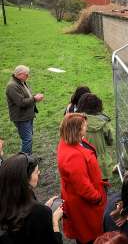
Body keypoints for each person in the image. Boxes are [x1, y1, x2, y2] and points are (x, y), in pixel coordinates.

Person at [57, 113, 107, 244]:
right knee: (90, 235)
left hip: (81, 200)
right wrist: (97, 198)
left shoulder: (69, 142)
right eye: (84, 126)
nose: (87, 127)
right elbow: (83, 186)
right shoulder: (73, 157)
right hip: (85, 206)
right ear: (76, 131)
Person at [0, 153, 63, 243]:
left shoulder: (5, 202)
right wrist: (54, 222)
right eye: (36, 172)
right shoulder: (40, 213)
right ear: (25, 179)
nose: (39, 173)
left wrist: (43, 208)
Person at [5, 65, 44, 154]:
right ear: (19, 74)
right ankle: (26, 162)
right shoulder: (12, 86)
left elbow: (26, 96)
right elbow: (21, 102)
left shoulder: (21, 82)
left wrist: (34, 97)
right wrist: (34, 99)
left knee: (28, 138)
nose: (28, 76)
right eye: (26, 75)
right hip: (21, 117)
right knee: (27, 139)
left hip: (27, 115)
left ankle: (27, 158)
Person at [77, 93, 114, 181]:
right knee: (103, 184)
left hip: (84, 161)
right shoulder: (104, 123)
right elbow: (111, 139)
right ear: (98, 105)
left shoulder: (77, 122)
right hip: (101, 162)